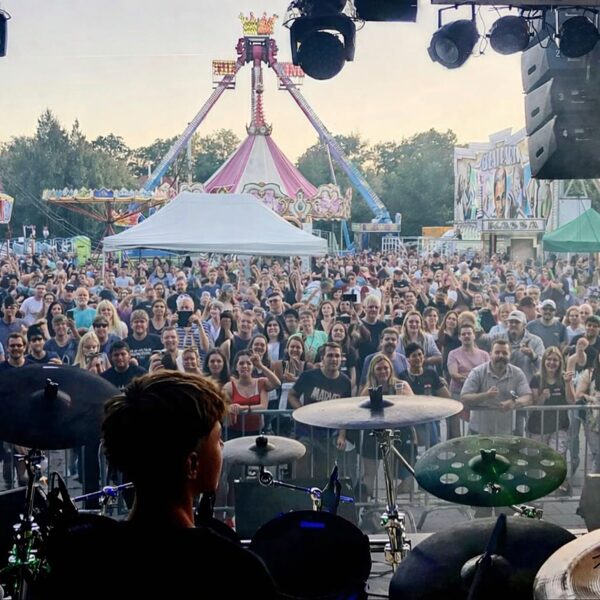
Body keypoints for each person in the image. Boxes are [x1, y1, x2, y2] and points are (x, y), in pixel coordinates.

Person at [44, 371, 279, 600]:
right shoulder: (232, 568)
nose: (223, 445)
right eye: (218, 439)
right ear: (192, 464)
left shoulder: (85, 559)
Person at [288, 342, 352, 479]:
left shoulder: (345, 381)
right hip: (305, 431)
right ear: (322, 358)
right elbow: (292, 395)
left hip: (329, 434)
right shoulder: (309, 376)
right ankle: (300, 492)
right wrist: (302, 411)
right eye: (330, 355)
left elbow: (345, 411)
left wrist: (342, 435)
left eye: (337, 356)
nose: (334, 359)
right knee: (300, 467)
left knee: (324, 474)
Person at [527, 347, 575, 492]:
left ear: (560, 362)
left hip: (559, 425)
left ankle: (559, 484)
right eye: (549, 359)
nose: (551, 363)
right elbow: (534, 405)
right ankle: (537, 488)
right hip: (538, 426)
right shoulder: (536, 379)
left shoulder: (564, 378)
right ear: (544, 361)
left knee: (557, 455)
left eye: (555, 360)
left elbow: (572, 401)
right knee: (538, 459)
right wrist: (543, 397)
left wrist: (568, 383)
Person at [461, 339, 532, 435]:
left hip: (506, 432)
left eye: (505, 353)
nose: (501, 356)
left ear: (510, 356)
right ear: (490, 354)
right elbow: (464, 398)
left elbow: (528, 397)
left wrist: (513, 403)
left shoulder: (517, 373)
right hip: (479, 432)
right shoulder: (477, 372)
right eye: (497, 352)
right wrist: (486, 395)